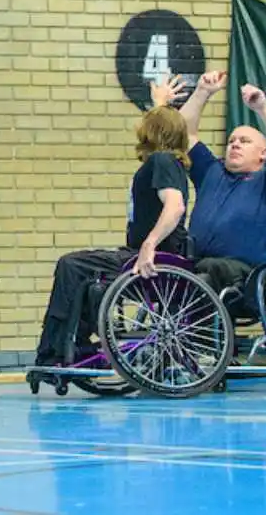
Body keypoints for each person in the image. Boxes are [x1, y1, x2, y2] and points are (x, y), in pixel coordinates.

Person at [30, 76, 194, 367]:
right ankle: (70, 344)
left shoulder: (163, 162)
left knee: (73, 265)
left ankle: (60, 348)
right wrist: (160, 105)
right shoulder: (165, 162)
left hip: (155, 258)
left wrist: (149, 245)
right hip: (141, 254)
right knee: (84, 270)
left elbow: (175, 206)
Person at [175, 71, 266, 293]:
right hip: (198, 266)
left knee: (206, 271)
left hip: (246, 277)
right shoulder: (211, 171)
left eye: (244, 141)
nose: (235, 145)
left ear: (263, 154)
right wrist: (202, 92)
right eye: (232, 141)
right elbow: (183, 135)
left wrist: (262, 109)